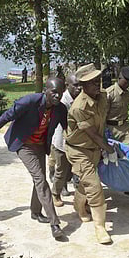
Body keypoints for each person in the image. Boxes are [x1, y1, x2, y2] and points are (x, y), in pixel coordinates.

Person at [0, 77, 67, 239]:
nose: (57, 96)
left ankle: (35, 212)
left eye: (60, 93)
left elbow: (68, 128)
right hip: (24, 144)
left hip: (40, 145)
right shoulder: (30, 101)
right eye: (54, 92)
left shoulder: (60, 109)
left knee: (39, 180)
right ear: (45, 91)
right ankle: (54, 224)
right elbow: (6, 116)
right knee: (40, 179)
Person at [65, 63, 118, 244]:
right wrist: (109, 149)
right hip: (79, 150)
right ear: (83, 85)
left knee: (86, 183)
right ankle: (100, 227)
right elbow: (93, 134)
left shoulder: (102, 96)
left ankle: (78, 205)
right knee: (95, 186)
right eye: (92, 82)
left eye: (98, 80)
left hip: (94, 148)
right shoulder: (79, 107)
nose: (97, 84)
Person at [51, 74, 81, 207]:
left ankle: (79, 196)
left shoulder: (81, 98)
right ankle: (55, 193)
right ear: (67, 86)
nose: (79, 88)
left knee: (77, 169)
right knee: (61, 170)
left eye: (80, 85)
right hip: (61, 141)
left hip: (77, 140)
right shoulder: (61, 101)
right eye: (75, 85)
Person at [105, 67, 129, 144]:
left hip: (124, 127)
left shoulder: (127, 93)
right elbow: (103, 115)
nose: (128, 84)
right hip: (111, 128)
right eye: (126, 82)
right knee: (112, 153)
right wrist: (104, 131)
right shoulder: (109, 94)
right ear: (119, 78)